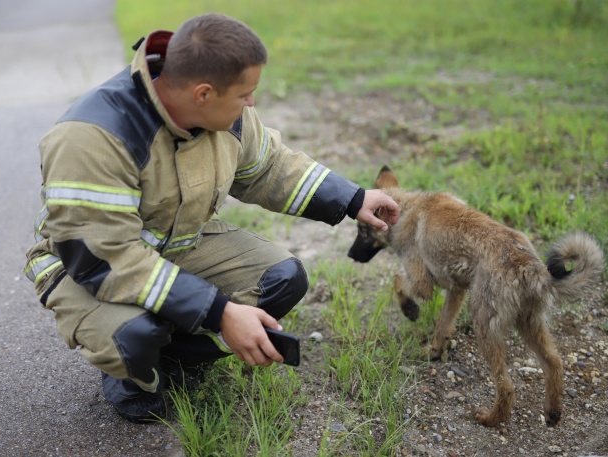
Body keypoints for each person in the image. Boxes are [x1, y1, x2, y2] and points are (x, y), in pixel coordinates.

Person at [23, 12, 399, 423]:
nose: (251, 102)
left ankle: (174, 360)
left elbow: (269, 167)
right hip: (88, 266)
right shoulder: (93, 136)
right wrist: (220, 312)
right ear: (203, 93)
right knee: (133, 336)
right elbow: (105, 258)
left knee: (283, 278)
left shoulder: (225, 115)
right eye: (245, 94)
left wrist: (352, 198)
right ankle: (135, 374)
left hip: (176, 244)